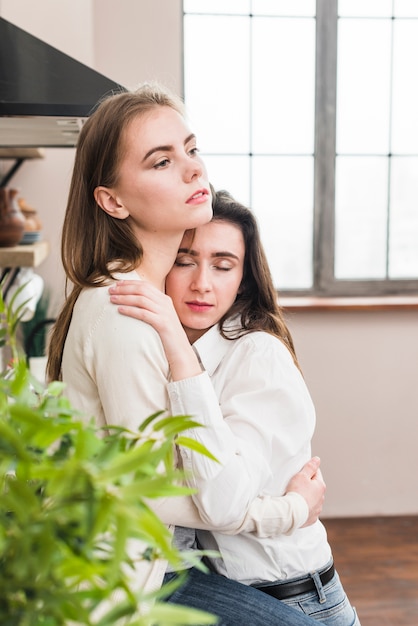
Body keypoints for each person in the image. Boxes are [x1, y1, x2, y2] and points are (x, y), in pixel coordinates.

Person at [46, 83, 323, 626]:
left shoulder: (138, 299)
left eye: (191, 150)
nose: (194, 170)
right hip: (118, 588)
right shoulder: (126, 308)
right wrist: (287, 511)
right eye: (162, 161)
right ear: (113, 200)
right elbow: (147, 490)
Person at [109, 189, 361, 625]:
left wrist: (296, 509)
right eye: (185, 260)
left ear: (243, 279)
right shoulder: (160, 353)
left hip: (293, 599)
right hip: (222, 593)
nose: (202, 283)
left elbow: (222, 500)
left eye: (223, 266)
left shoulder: (256, 355)